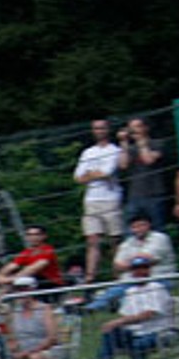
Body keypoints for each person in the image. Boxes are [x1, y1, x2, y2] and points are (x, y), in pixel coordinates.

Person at [93, 258, 174, 359]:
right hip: (135, 333)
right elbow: (126, 315)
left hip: (158, 332)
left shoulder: (156, 288)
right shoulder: (130, 291)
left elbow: (149, 314)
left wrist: (118, 322)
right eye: (136, 269)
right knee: (112, 332)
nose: (140, 272)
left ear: (149, 270)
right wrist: (116, 325)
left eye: (143, 268)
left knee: (139, 343)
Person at [74, 118, 125, 284]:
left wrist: (90, 174)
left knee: (114, 239)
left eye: (102, 128)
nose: (99, 131)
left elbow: (107, 172)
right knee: (92, 239)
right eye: (96, 128)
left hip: (111, 198)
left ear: (108, 130)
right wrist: (95, 174)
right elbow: (77, 177)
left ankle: (118, 274)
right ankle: (90, 277)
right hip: (91, 199)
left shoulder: (114, 150)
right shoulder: (88, 152)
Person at [118, 117, 171, 231]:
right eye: (131, 128)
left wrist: (142, 143)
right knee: (130, 231)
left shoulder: (157, 144)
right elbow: (123, 165)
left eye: (137, 126)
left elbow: (148, 160)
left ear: (146, 128)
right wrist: (124, 143)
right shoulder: (130, 149)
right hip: (134, 195)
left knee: (157, 229)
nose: (133, 131)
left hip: (154, 194)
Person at [4, 278, 63, 359]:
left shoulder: (44, 309)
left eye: (24, 289)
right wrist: (14, 350)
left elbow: (52, 338)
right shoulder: (15, 312)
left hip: (45, 350)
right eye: (18, 290)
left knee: (35, 358)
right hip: (23, 351)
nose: (21, 293)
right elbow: (12, 338)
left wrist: (31, 352)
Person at [112, 212, 178, 279]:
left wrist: (129, 263)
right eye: (134, 227)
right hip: (130, 281)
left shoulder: (160, 238)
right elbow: (117, 265)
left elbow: (147, 259)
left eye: (142, 225)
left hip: (159, 277)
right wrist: (137, 262)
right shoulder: (128, 242)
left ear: (149, 225)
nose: (138, 229)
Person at [0, 225, 64, 288]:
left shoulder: (48, 250)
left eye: (37, 235)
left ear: (44, 236)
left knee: (23, 282)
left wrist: (12, 278)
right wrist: (0, 276)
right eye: (29, 235)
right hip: (34, 283)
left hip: (49, 283)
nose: (33, 237)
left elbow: (37, 267)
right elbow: (12, 266)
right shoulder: (26, 252)